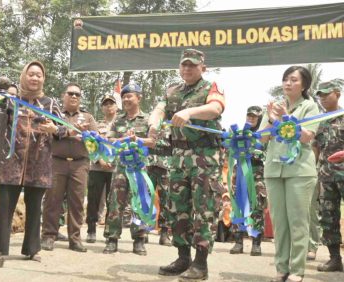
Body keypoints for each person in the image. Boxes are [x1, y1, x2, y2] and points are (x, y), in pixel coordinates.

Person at [149, 48, 225, 280]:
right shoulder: (173, 90)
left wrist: (190, 111)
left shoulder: (210, 87)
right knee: (177, 208)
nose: (187, 69)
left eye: (192, 65)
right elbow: (159, 109)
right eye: (184, 65)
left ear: (203, 67)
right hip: (179, 157)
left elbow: (216, 108)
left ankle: (200, 264)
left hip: (204, 157)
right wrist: (154, 122)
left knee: (204, 209)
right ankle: (183, 257)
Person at [0, 61, 67, 261]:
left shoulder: (50, 103)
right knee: (5, 204)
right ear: (24, 76)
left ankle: (32, 249)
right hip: (11, 161)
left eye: (39, 75)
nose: (35, 78)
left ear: (44, 79)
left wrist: (54, 129)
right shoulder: (11, 101)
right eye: (31, 74)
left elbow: (65, 128)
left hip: (39, 164)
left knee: (34, 207)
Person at [259, 66, 320, 282]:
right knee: (279, 222)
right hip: (274, 171)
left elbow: (305, 137)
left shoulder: (310, 107)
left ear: (304, 85)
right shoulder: (274, 107)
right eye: (285, 79)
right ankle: (281, 267)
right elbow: (263, 139)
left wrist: (285, 119)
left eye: (293, 80)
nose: (288, 83)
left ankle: (296, 270)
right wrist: (270, 118)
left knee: (298, 221)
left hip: (300, 171)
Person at [313, 80, 344, 275]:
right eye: (321, 95)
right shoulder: (321, 121)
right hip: (326, 177)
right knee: (327, 218)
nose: (323, 98)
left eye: (327, 94)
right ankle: (335, 259)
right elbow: (316, 148)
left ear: (337, 93)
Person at [41, 83, 96, 252]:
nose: (74, 96)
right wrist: (69, 133)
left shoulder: (88, 117)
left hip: (80, 163)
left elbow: (96, 140)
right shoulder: (55, 115)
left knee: (77, 202)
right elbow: (47, 132)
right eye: (70, 93)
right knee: (52, 200)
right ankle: (49, 236)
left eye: (77, 94)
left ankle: (75, 239)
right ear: (63, 96)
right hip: (57, 161)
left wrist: (86, 137)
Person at [103, 83, 155, 256]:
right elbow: (109, 140)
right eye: (124, 96)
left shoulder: (148, 119)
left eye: (129, 96)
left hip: (140, 170)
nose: (125, 99)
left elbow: (153, 141)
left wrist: (137, 139)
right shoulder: (118, 120)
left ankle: (139, 239)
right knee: (115, 201)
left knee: (139, 201)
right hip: (121, 168)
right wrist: (123, 139)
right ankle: (112, 239)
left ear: (139, 97)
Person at [230, 105, 267, 256]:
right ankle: (238, 242)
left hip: (257, 172)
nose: (251, 118)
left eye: (255, 116)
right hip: (239, 173)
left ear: (260, 119)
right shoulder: (239, 134)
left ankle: (256, 243)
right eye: (249, 115)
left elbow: (264, 152)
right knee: (238, 204)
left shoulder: (263, 134)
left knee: (257, 205)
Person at [86, 94, 117, 243]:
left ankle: (109, 232)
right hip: (97, 168)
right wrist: (99, 160)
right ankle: (91, 230)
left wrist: (113, 161)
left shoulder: (122, 125)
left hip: (115, 169)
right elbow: (91, 145)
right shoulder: (96, 126)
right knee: (93, 199)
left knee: (113, 201)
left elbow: (125, 146)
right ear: (102, 107)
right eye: (105, 104)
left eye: (111, 103)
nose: (108, 106)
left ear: (117, 106)